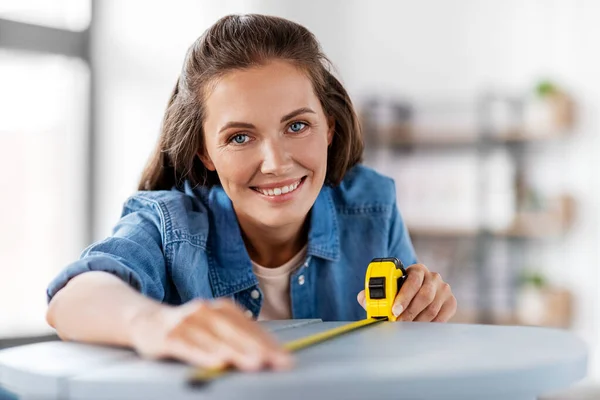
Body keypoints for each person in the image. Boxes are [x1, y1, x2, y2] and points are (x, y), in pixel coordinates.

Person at [45, 14, 457, 373]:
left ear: (329, 127)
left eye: (297, 126)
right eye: (240, 137)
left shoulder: (371, 206)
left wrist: (423, 307)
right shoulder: (170, 224)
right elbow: (72, 300)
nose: (275, 162)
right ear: (204, 151)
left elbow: (404, 348)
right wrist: (153, 323)